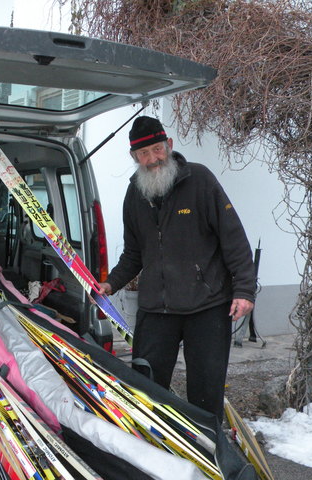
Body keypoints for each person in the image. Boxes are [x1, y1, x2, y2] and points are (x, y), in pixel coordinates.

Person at [98, 115, 256, 421]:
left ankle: (208, 449)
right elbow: (133, 253)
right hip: (156, 308)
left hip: (207, 306)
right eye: (144, 154)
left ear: (168, 145)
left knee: (205, 390)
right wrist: (110, 284)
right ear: (134, 157)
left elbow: (233, 238)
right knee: (146, 386)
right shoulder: (135, 193)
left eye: (157, 149)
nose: (153, 159)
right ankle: (154, 448)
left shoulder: (200, 180)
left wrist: (244, 289)